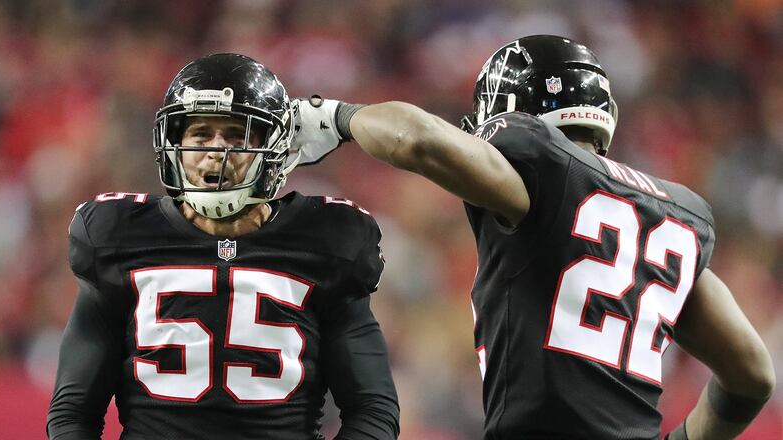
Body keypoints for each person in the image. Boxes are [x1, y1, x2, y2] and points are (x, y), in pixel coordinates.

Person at [290, 35, 775, 439]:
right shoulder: (670, 217)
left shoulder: (537, 167)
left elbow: (416, 140)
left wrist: (336, 115)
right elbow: (751, 375)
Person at [47, 53, 399, 440]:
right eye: (201, 134)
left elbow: (372, 409)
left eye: (238, 135)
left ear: (275, 148)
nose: (218, 150)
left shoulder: (328, 241)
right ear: (174, 143)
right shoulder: (116, 235)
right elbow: (73, 412)